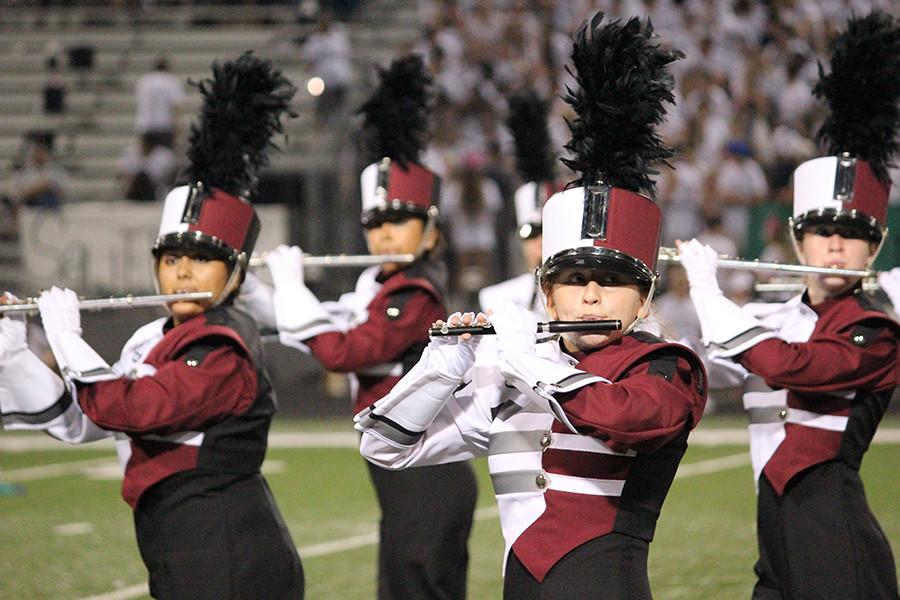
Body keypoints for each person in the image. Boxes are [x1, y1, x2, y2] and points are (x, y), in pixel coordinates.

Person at [355, 14, 706, 598]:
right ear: (547, 292)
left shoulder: (666, 367)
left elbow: (622, 418)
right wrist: (442, 370)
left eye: (613, 281)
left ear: (643, 296)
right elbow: (386, 447)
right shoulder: (510, 377)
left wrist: (527, 358)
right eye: (573, 278)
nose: (591, 295)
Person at [0, 53, 304, 600]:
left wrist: (66, 338)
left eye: (201, 258)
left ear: (235, 274)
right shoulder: (152, 338)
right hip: (178, 546)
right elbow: (85, 419)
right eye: (170, 257)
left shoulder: (222, 347)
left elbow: (133, 407)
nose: (181, 270)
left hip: (230, 550)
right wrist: (13, 354)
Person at [677, 12, 900, 600]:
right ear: (797, 242)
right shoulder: (771, 322)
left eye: (850, 235)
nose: (833, 245)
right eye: (820, 231)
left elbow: (794, 368)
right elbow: (704, 369)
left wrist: (707, 292)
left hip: (830, 524)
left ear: (873, 247)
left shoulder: (876, 329)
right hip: (771, 523)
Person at [239, 54, 476, 600]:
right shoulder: (378, 286)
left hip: (428, 467)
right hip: (399, 467)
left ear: (430, 230)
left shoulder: (416, 292)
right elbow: (305, 329)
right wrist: (251, 286)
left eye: (400, 221)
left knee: (419, 588)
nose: (385, 234)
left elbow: (345, 351)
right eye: (376, 222)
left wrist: (296, 288)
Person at [479, 88, 557, 318]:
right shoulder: (495, 298)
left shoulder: (584, 301)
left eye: (551, 233)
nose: (541, 243)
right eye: (531, 234)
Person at [134, 57, 184, 149]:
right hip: (164, 126)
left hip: (145, 125)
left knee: (147, 160)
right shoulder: (171, 81)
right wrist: (177, 125)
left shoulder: (143, 81)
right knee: (165, 158)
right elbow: (175, 106)